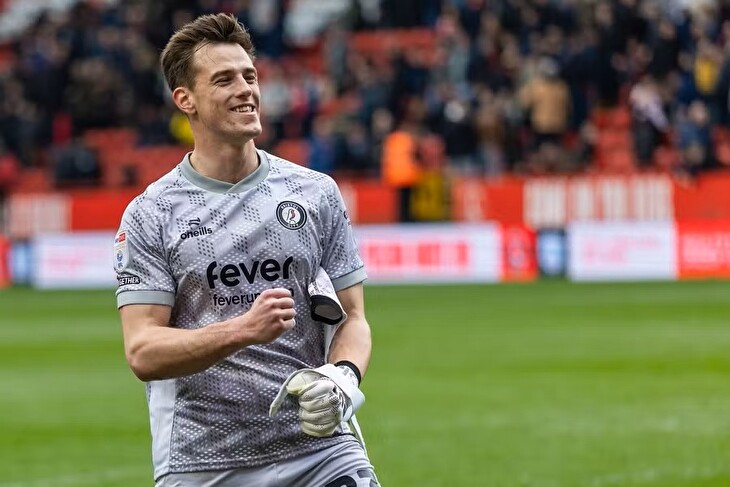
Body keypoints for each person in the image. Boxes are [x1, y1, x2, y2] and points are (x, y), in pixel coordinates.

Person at [113, 13, 378, 487]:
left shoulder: (315, 192)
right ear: (185, 100)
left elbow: (353, 317)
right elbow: (143, 350)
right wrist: (242, 330)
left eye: (249, 76)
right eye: (224, 80)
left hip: (320, 449)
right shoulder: (152, 213)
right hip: (204, 460)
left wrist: (342, 377)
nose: (246, 90)